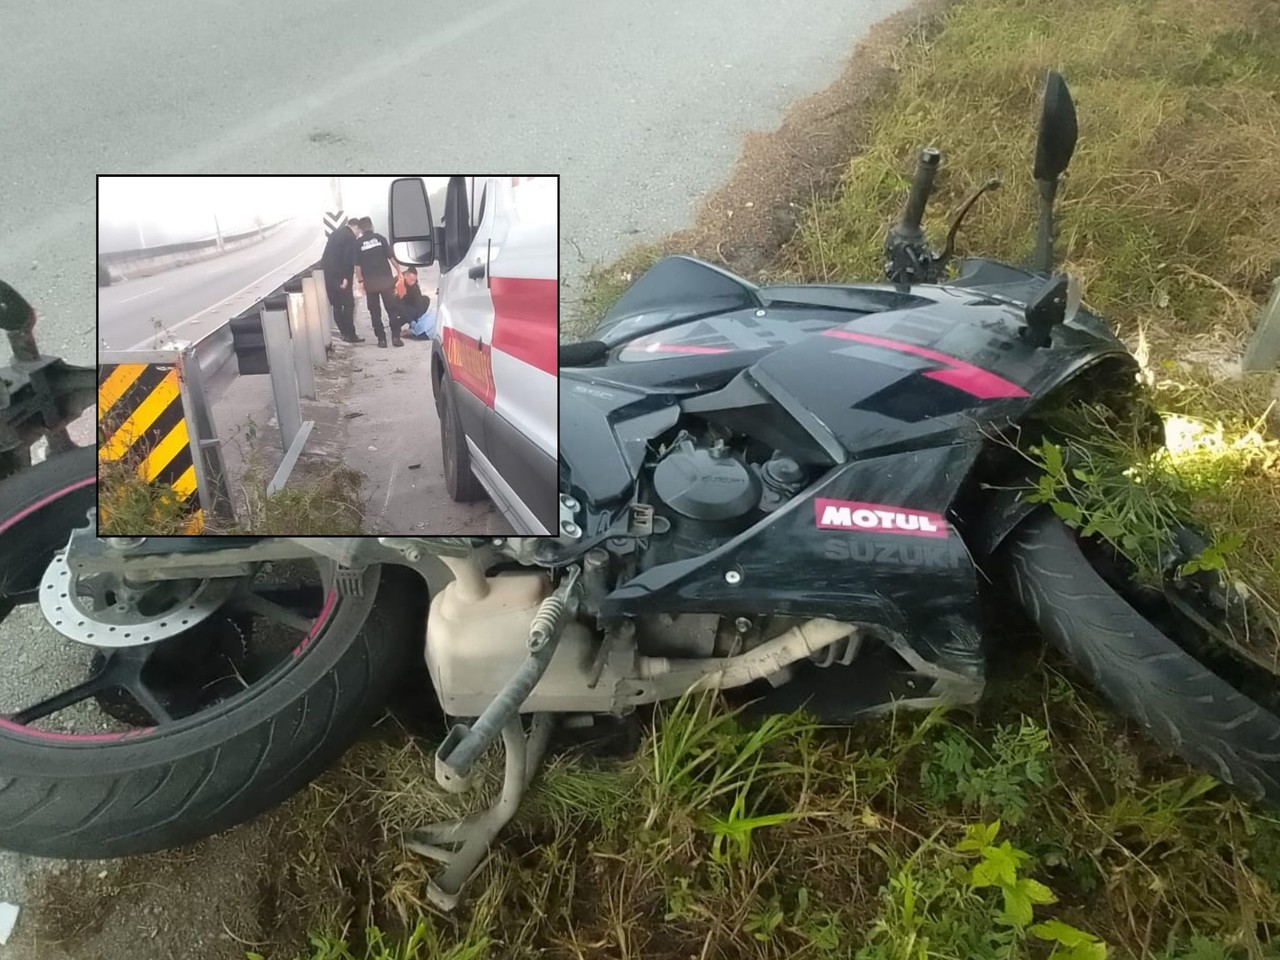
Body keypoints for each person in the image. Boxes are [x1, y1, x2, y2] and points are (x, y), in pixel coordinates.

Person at [353, 216, 405, 348]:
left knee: (375, 312)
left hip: (371, 284)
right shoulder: (380, 239)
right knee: (392, 309)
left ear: (361, 229)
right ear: (371, 226)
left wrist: (360, 281)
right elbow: (391, 257)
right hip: (386, 281)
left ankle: (381, 340)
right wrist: (399, 271)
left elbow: (357, 268)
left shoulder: (358, 244)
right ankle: (396, 337)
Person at [320, 218, 363, 343]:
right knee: (349, 304)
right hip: (341, 277)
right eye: (358, 231)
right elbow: (347, 259)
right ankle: (351, 334)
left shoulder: (335, 233)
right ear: (355, 227)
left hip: (327, 275)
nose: (358, 234)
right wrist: (344, 278)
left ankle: (344, 333)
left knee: (337, 306)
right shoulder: (350, 237)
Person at [395, 267, 434, 339]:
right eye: (411, 280)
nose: (413, 282)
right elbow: (398, 305)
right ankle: (396, 324)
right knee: (411, 311)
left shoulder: (414, 284)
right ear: (405, 276)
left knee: (425, 300)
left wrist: (420, 318)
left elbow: (418, 299)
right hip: (397, 305)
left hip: (409, 302)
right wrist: (411, 321)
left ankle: (416, 322)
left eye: (414, 280)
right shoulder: (399, 283)